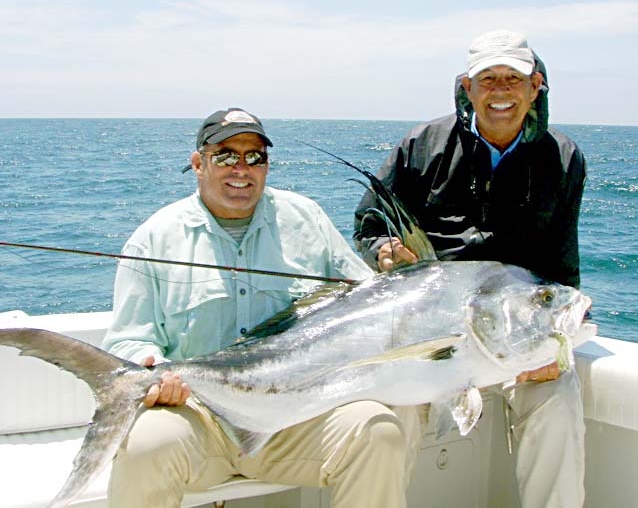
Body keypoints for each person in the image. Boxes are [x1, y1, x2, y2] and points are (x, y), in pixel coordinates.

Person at [102, 108, 418, 508]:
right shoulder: (154, 238)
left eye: (255, 157)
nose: (242, 168)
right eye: (226, 155)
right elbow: (130, 338)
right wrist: (151, 370)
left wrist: (399, 272)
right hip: (200, 416)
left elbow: (367, 303)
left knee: (379, 431)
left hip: (296, 412)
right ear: (198, 164)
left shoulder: (306, 219)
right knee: (147, 445)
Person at [355, 30, 587, 508]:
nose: (500, 91)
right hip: (429, 334)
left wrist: (552, 348)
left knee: (559, 402)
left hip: (514, 331)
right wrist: (383, 250)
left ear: (535, 85)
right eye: (488, 80)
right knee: (389, 419)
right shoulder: (421, 144)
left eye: (513, 79)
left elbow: (562, 267)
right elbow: (370, 222)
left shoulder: (563, 158)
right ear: (467, 86)